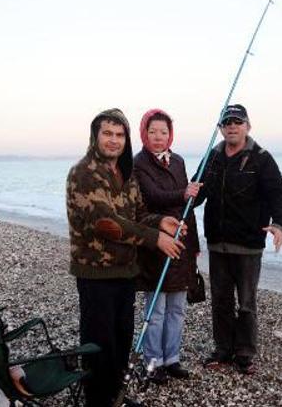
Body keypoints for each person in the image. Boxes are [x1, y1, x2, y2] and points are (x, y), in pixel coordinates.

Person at [66, 108, 186, 407]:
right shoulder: (85, 173)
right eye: (107, 133)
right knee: (98, 344)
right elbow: (106, 223)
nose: (114, 140)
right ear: (95, 136)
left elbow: (138, 214)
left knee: (121, 341)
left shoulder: (127, 173)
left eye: (120, 135)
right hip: (96, 273)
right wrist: (155, 238)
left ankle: (116, 397)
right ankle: (98, 400)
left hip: (125, 271)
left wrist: (159, 222)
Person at [193, 103, 282, 375]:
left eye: (238, 121)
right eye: (227, 122)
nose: (232, 126)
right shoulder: (212, 157)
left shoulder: (261, 158)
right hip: (217, 243)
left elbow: (278, 193)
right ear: (221, 128)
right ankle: (223, 349)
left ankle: (245, 353)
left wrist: (280, 225)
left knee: (246, 303)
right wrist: (185, 197)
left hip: (248, 245)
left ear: (248, 126)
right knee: (220, 300)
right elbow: (196, 193)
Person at [132, 109, 201, 384]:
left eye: (163, 132)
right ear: (144, 134)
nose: (158, 137)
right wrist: (183, 193)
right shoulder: (138, 163)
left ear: (170, 134)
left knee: (178, 308)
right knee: (156, 309)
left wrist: (194, 244)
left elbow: (188, 207)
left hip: (182, 241)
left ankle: (171, 359)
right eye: (153, 132)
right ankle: (152, 362)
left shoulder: (179, 161)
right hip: (157, 242)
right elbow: (152, 197)